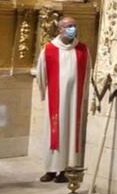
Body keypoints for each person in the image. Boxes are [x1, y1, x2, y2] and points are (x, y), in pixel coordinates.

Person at [35, 16, 89, 183]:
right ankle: (51, 169)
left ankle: (67, 169)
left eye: (74, 26)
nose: (73, 29)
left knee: (71, 131)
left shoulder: (82, 49)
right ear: (60, 29)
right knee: (54, 133)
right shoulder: (49, 49)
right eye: (69, 26)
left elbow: (88, 73)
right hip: (55, 100)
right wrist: (44, 92)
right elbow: (41, 72)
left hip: (74, 100)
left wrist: (86, 95)